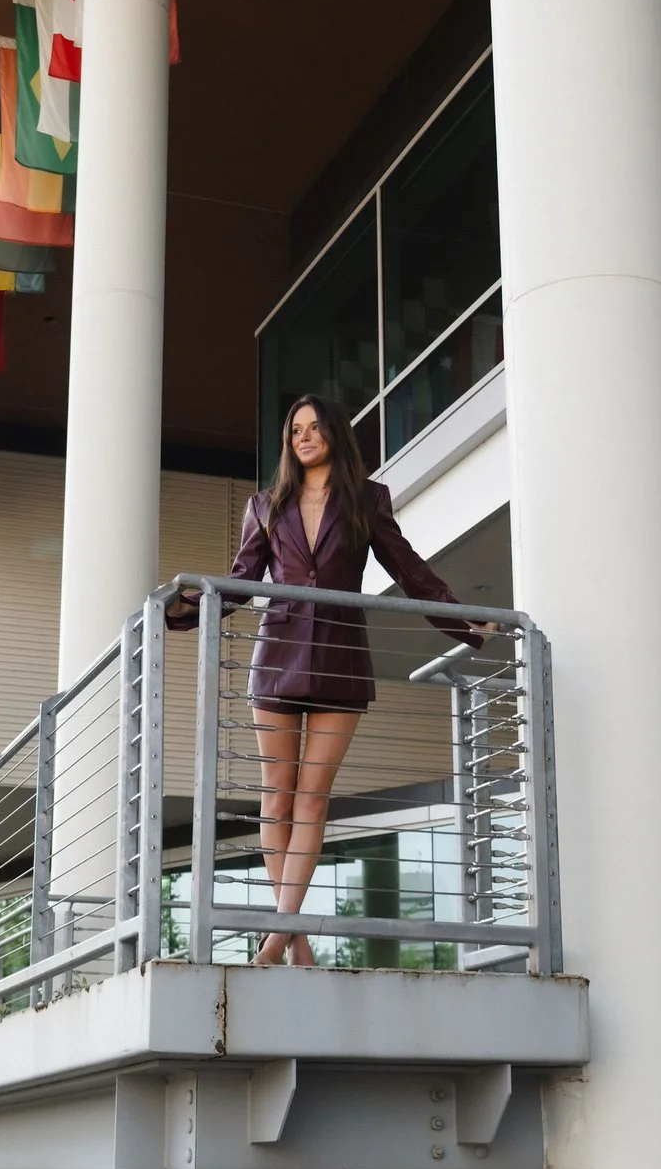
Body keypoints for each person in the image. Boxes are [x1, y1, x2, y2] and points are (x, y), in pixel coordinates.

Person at [173, 394, 481, 966]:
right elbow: (242, 580)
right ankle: (294, 938)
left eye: (314, 428)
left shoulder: (368, 500)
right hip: (278, 651)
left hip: (340, 653)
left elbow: (408, 568)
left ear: (335, 435)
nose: (304, 437)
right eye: (295, 431)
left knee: (312, 799)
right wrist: (187, 608)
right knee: (277, 797)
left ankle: (277, 938)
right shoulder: (265, 504)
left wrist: (461, 621)